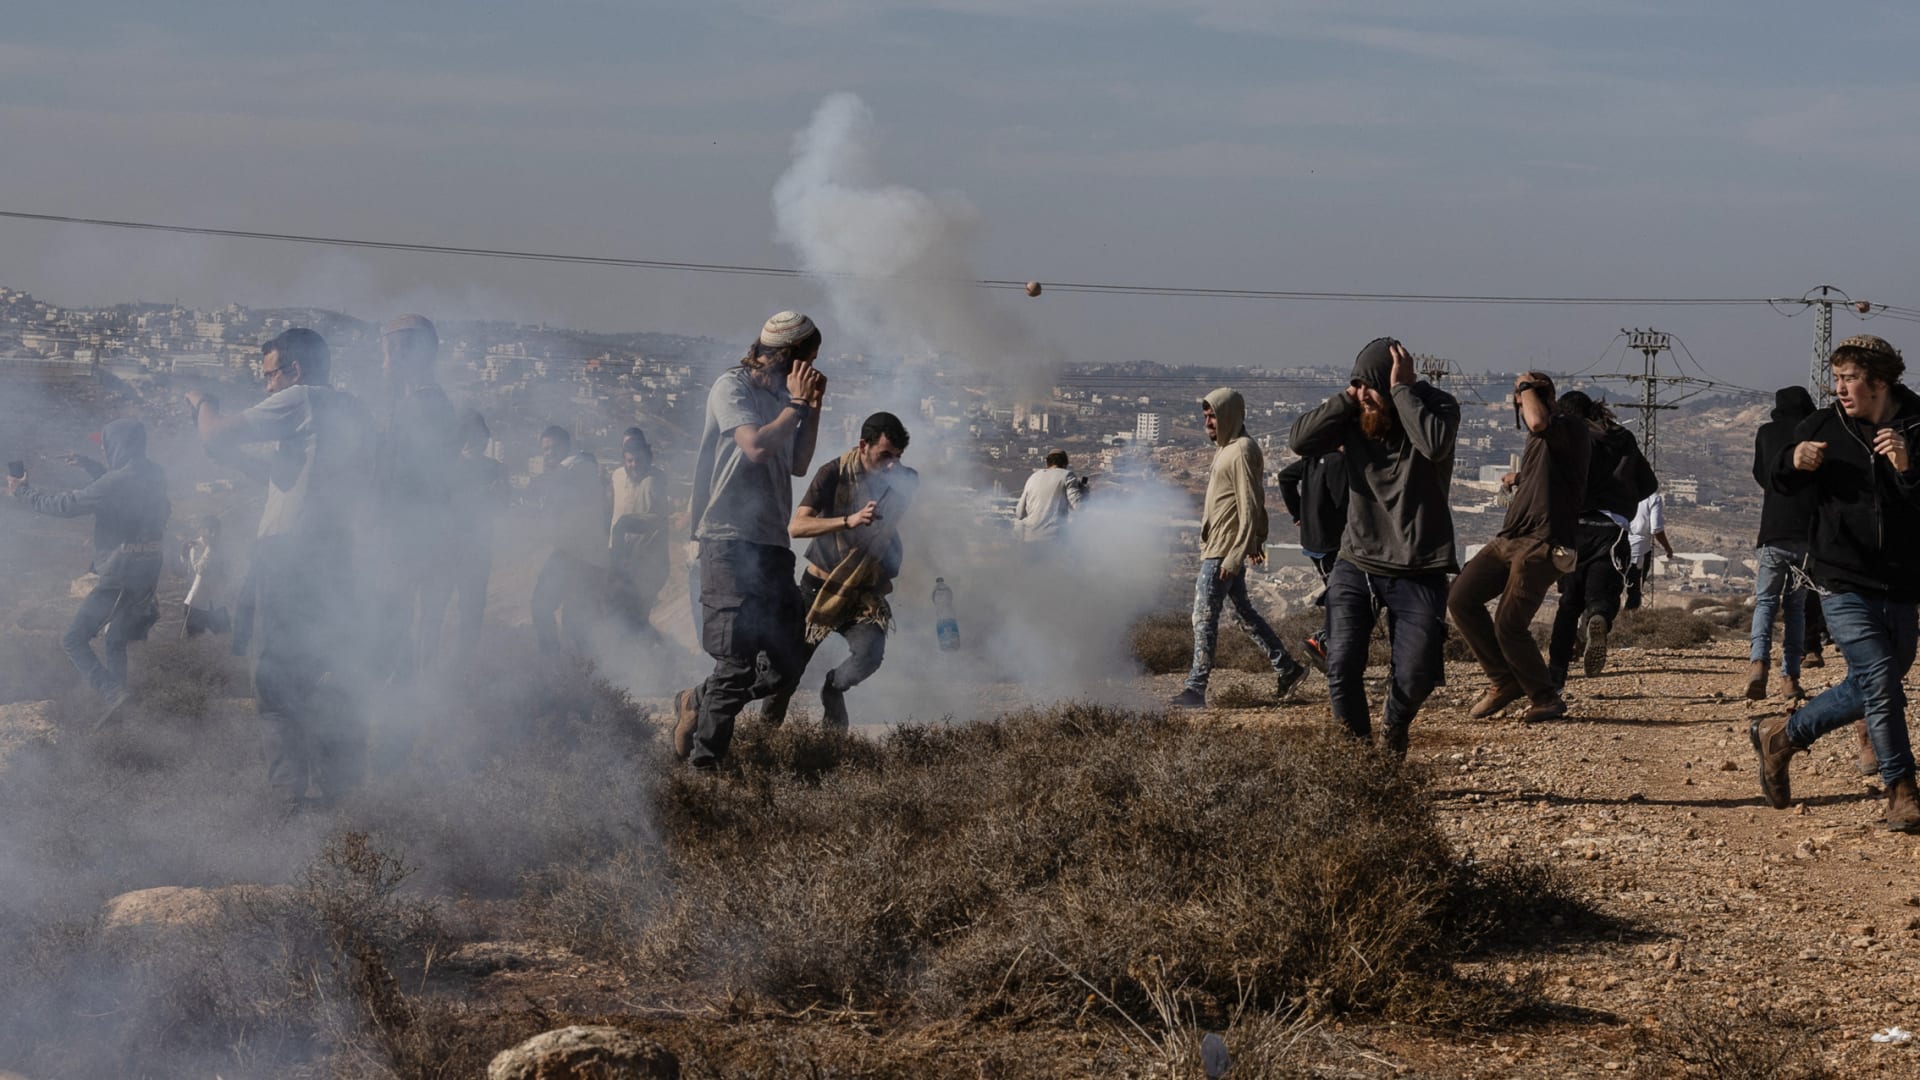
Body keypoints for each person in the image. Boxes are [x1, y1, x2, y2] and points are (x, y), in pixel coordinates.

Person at [186, 328, 372, 811]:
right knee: (320, 672)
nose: (267, 385)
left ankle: (287, 800)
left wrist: (201, 401)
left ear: (296, 370)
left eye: (270, 374)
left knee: (272, 680)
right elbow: (293, 478)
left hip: (289, 560)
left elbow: (214, 431)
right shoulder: (351, 409)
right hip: (332, 558)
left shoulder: (303, 398)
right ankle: (340, 790)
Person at [1751, 335, 1920, 832]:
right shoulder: (1823, 424)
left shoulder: (1916, 424)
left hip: (1903, 581)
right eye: (1837, 378)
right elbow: (1773, 476)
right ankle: (1901, 789)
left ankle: (1781, 737)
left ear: (1880, 382)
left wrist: (1909, 470)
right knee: (1882, 681)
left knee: (1877, 680)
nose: (1840, 388)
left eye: (1850, 379)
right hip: (1841, 577)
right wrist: (1791, 460)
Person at [1290, 338, 1459, 757]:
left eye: (1371, 386)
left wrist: (1401, 392)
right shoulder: (1354, 415)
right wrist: (1351, 396)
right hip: (1357, 561)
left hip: (1420, 565)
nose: (1364, 395)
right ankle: (1359, 761)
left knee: (1416, 674)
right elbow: (1300, 441)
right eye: (1357, 385)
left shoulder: (1438, 407)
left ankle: (1395, 724)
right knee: (1341, 663)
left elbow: (1435, 446)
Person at [673, 311, 827, 769]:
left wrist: (812, 406)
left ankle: (697, 698)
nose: (811, 370)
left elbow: (797, 463)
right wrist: (795, 407)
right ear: (788, 357)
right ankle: (704, 770)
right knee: (738, 663)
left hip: (771, 544)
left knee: (787, 663)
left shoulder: (785, 397)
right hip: (726, 539)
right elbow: (756, 446)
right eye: (809, 360)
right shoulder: (732, 387)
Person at [760, 412, 918, 728]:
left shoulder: (902, 480)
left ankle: (833, 689)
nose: (892, 465)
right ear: (863, 445)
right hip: (819, 590)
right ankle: (764, 738)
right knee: (786, 674)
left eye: (897, 457)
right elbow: (797, 526)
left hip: (860, 591)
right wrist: (849, 520)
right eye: (885, 455)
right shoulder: (832, 473)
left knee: (870, 653)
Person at [8, 419, 170, 724]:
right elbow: (124, 490)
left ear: (117, 446)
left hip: (123, 571)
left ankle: (113, 693)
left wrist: (23, 493)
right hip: (149, 568)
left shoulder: (115, 482)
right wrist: (91, 465)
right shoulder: (153, 473)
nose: (104, 450)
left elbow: (67, 504)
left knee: (73, 639)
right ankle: (121, 711)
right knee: (115, 639)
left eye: (105, 446)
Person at [1449, 372, 1587, 724]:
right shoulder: (1544, 439)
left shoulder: (1566, 425)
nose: (1520, 406)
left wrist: (1525, 387)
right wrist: (1518, 479)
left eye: (1523, 399)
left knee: (1509, 623)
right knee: (1461, 599)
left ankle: (1545, 698)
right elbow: (1549, 472)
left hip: (1543, 543)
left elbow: (1540, 420)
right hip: (1510, 537)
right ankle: (1503, 680)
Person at [1170, 389, 1308, 709]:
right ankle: (1287, 668)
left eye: (1213, 415)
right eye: (1205, 416)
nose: (1208, 422)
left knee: (1203, 617)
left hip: (1223, 551)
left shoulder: (1241, 449)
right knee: (1245, 615)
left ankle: (1195, 688)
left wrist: (1239, 552)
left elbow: (1250, 502)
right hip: (1222, 547)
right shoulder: (1228, 448)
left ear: (1229, 415)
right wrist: (1256, 539)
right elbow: (1254, 501)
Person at [370, 314, 462, 678]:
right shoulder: (418, 406)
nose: (383, 364)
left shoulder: (423, 409)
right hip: (413, 535)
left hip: (410, 538)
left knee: (399, 624)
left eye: (387, 355)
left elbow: (404, 481)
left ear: (408, 355)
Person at [1545, 392, 1656, 689]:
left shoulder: (1569, 437)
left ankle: (1555, 676)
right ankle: (1598, 620)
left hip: (1574, 528)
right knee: (1603, 595)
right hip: (1612, 528)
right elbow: (1649, 484)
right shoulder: (1623, 438)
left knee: (1568, 605)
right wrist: (1621, 500)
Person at [1744, 386, 1818, 701]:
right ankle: (1790, 679)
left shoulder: (1766, 433)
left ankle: (1758, 664)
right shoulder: (1815, 434)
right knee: (1796, 608)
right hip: (1807, 534)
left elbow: (1762, 475)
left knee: (1765, 602)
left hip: (1773, 529)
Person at [528, 425, 610, 656]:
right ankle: (574, 671)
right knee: (569, 619)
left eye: (554, 448)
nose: (549, 453)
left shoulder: (576, 467)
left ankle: (561, 668)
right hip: (575, 553)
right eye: (545, 449)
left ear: (566, 447)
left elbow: (555, 485)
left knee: (552, 610)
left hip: (580, 556)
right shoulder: (571, 470)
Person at [434, 409, 506, 665]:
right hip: (446, 551)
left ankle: (463, 668)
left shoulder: (494, 469)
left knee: (472, 614)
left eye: (482, 438)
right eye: (473, 437)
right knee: (434, 611)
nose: (478, 443)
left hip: (477, 553)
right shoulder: (447, 468)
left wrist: (495, 494)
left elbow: (504, 505)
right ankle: (427, 667)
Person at [1277, 447, 1348, 670]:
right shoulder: (1337, 461)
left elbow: (1285, 477)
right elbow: (1343, 503)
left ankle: (1333, 652)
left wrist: (1299, 513)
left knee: (1339, 593)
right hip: (1333, 542)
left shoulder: (1314, 458)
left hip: (1313, 541)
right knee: (1345, 596)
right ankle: (1322, 642)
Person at [608, 427, 670, 640]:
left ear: (648, 458)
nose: (634, 465)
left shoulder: (652, 482)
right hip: (624, 558)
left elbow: (657, 521)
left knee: (634, 617)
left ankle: (655, 658)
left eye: (638, 460)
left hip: (645, 562)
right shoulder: (618, 476)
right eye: (629, 461)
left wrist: (625, 525)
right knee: (624, 614)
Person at [1013, 449, 1085, 544]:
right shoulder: (1067, 476)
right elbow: (1078, 506)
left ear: (1047, 463)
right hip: (1053, 539)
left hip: (1029, 538)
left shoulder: (1033, 477)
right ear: (1065, 464)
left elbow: (1019, 513)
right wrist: (1084, 493)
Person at [181, 514, 231, 638]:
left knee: (225, 638)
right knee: (194, 645)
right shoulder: (195, 546)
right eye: (211, 530)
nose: (214, 534)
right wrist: (210, 548)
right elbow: (199, 569)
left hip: (216, 602)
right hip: (197, 603)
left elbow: (226, 570)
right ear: (202, 530)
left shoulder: (221, 546)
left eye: (216, 530)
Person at [1623, 491, 1673, 611]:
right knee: (1634, 589)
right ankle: (1628, 620)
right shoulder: (1653, 498)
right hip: (1639, 550)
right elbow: (1656, 529)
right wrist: (1667, 548)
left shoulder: (1621, 492)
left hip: (1616, 545)